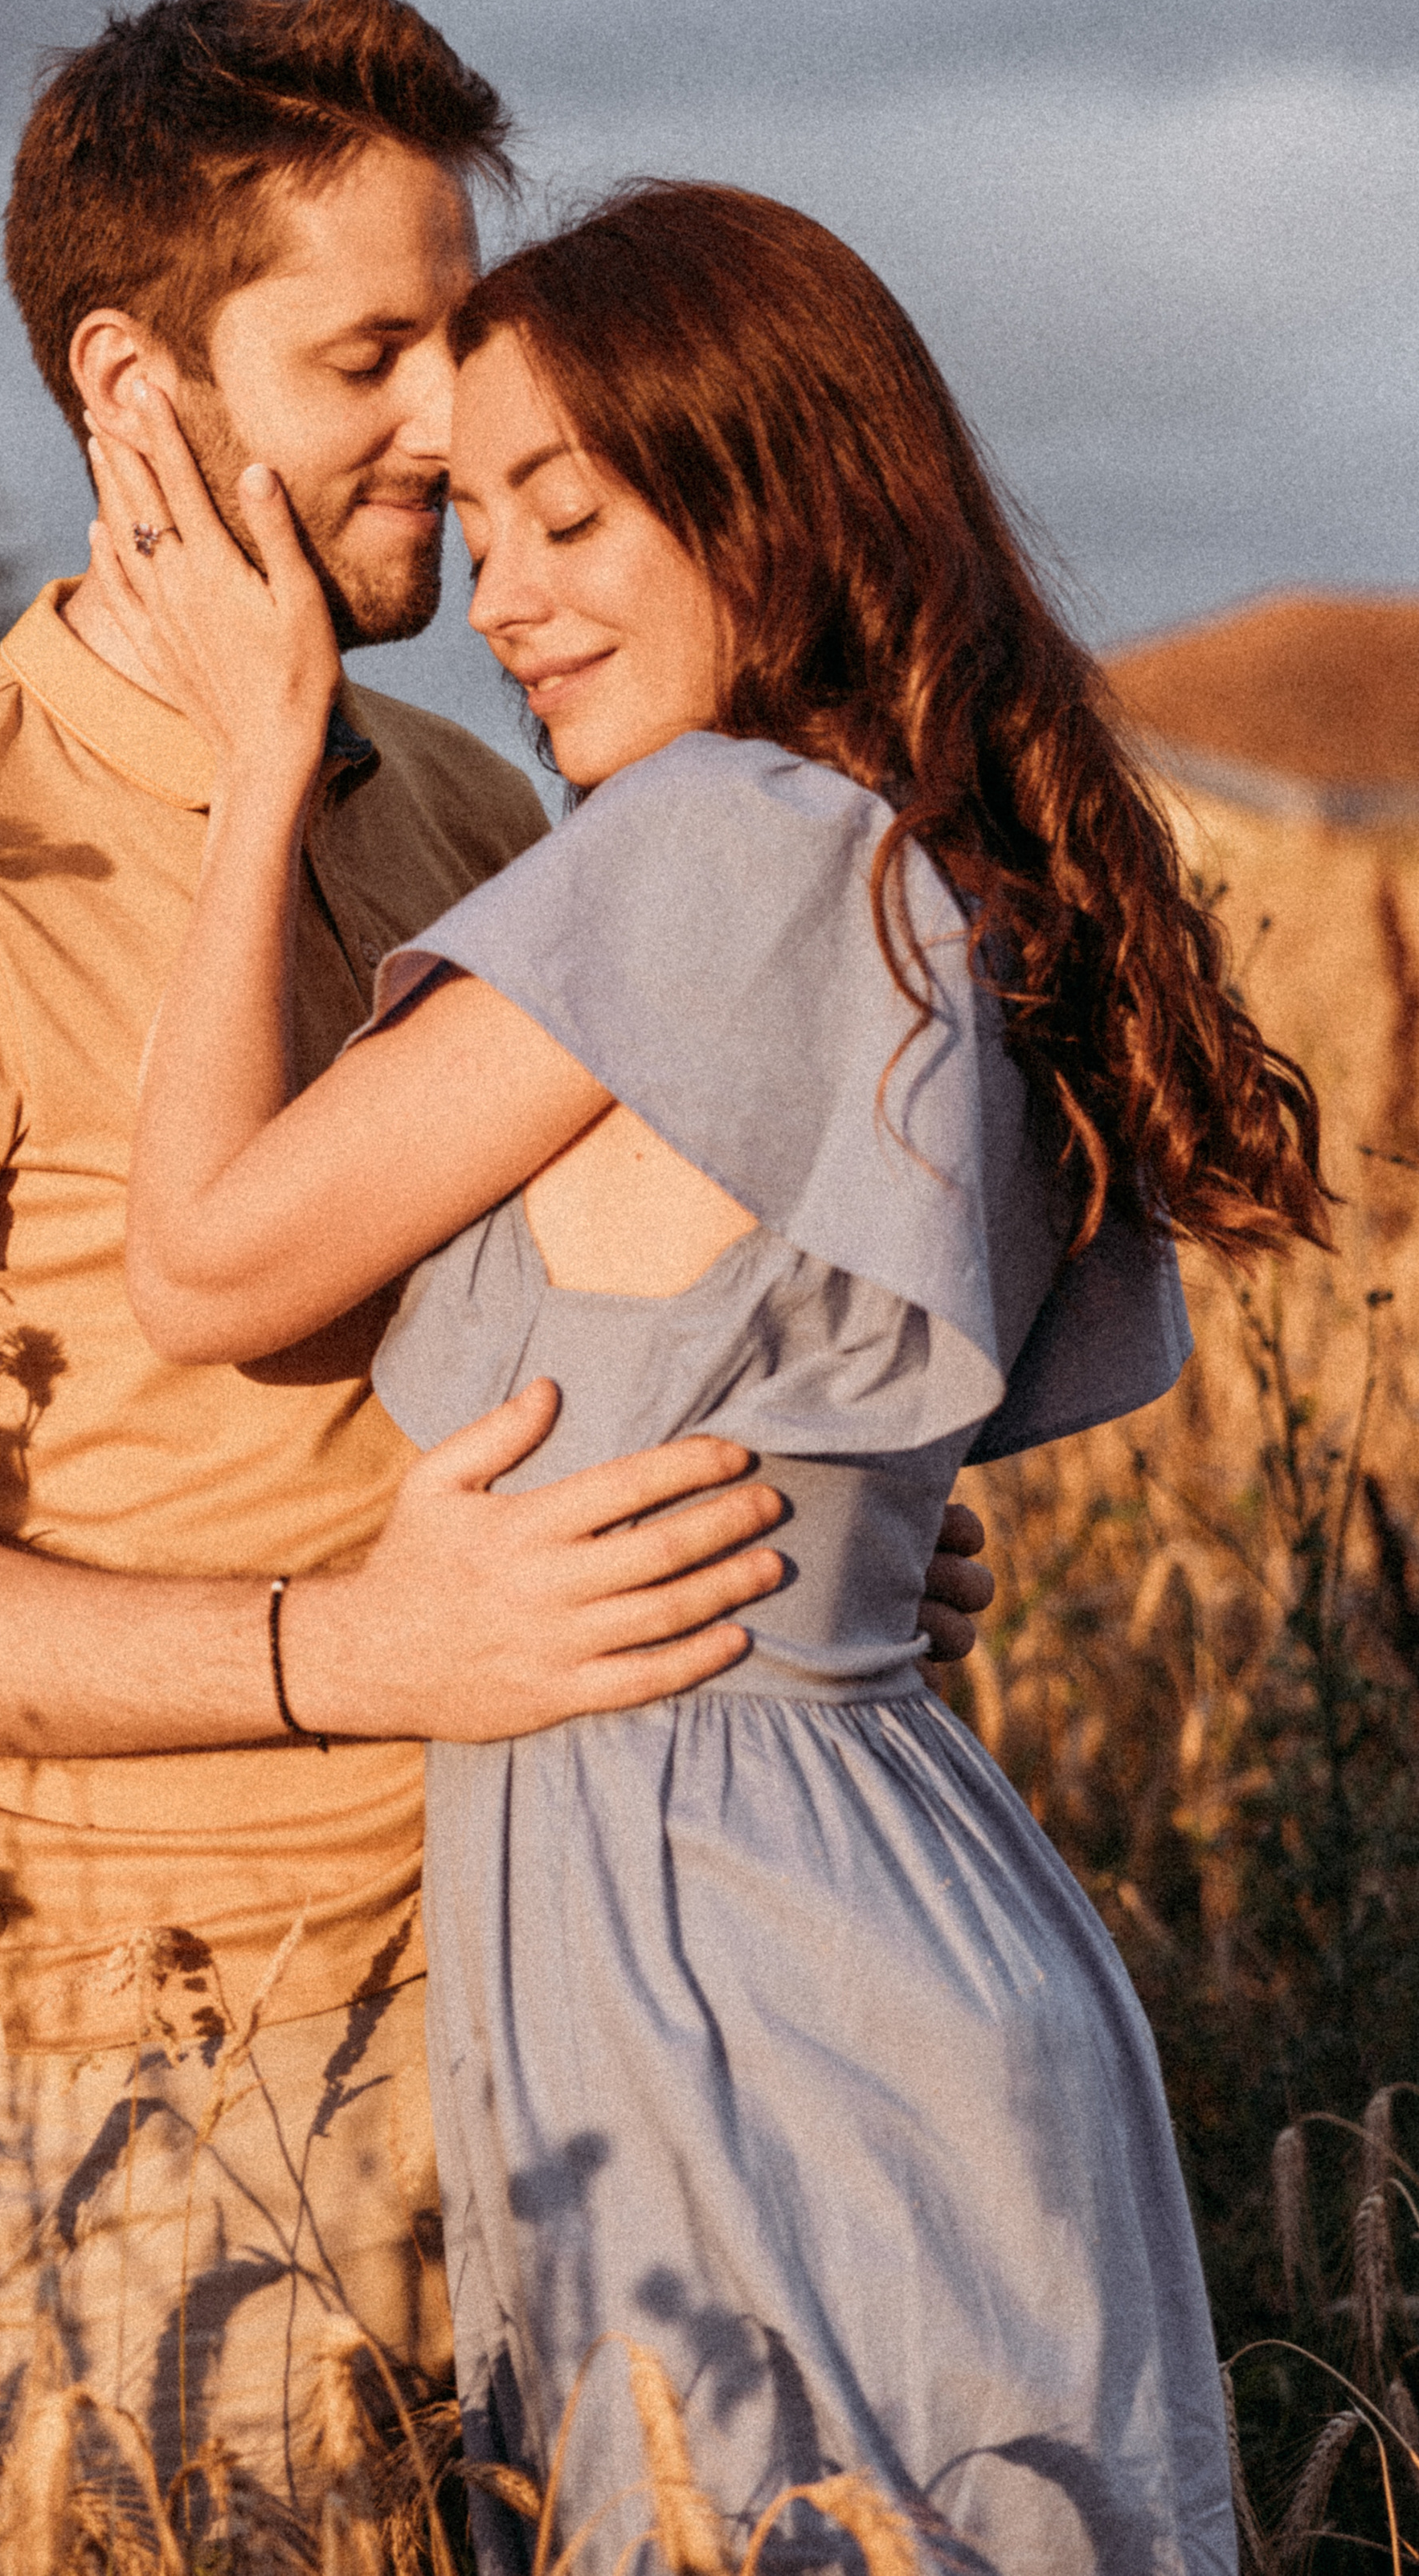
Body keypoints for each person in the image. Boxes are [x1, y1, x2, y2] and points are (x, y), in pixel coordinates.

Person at [0, 0, 992, 2557]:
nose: (458, 426)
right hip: (168, 2115)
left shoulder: (489, 797)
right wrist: (352, 1655)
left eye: (460, 331)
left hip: (590, 2014)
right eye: (370, 354)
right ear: (131, 383)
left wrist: (791, 1517)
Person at [94, 179, 1332, 2574]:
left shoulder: (704, 845)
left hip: (725, 1951)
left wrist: (268, 751)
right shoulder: (905, 859)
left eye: (571, 515)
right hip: (852, 1900)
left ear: (776, 505)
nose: (504, 596)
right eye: (470, 517)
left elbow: (204, 1265)